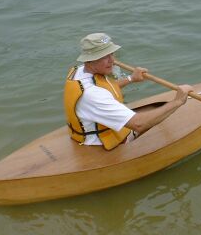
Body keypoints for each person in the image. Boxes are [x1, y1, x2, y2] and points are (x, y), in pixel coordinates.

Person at [64, 33, 193, 150]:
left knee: (160, 112)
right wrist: (178, 101)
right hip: (102, 143)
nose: (112, 60)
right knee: (165, 114)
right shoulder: (92, 95)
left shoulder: (79, 71)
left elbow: (106, 89)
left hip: (88, 130)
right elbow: (138, 125)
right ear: (89, 60)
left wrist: (131, 78)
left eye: (111, 54)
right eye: (104, 56)